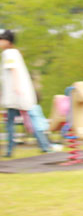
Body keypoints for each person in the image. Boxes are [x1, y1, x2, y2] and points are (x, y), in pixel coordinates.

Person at [0, 29, 52, 157]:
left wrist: (16, 87)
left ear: (8, 41)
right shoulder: (15, 52)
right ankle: (44, 146)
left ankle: (10, 151)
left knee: (14, 122)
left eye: (1, 40)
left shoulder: (9, 53)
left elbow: (13, 71)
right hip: (20, 93)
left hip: (16, 94)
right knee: (30, 118)